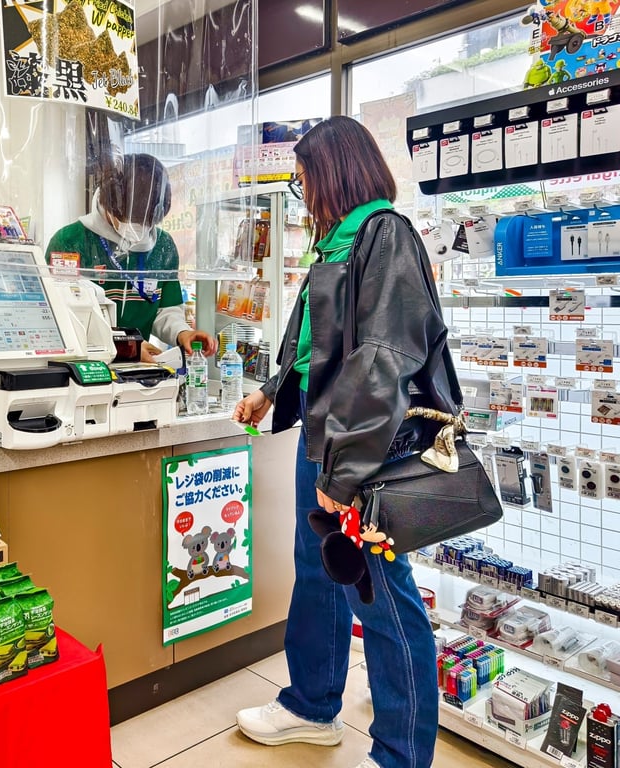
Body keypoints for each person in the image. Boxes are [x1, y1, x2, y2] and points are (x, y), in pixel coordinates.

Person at [232, 116, 460, 768]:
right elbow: (312, 342)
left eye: (306, 180)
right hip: (326, 440)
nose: (303, 195)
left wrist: (345, 473)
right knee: (319, 572)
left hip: (368, 451)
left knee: (382, 594)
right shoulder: (336, 243)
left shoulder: (385, 235)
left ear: (334, 173)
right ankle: (311, 705)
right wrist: (274, 390)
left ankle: (400, 753)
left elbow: (386, 359)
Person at [46, 153, 217, 362]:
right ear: (107, 203)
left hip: (139, 370)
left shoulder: (163, 246)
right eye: (126, 220)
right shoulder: (70, 241)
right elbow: (64, 318)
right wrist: (127, 347)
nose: (136, 231)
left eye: (145, 223)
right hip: (84, 367)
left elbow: (165, 310)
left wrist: (182, 333)